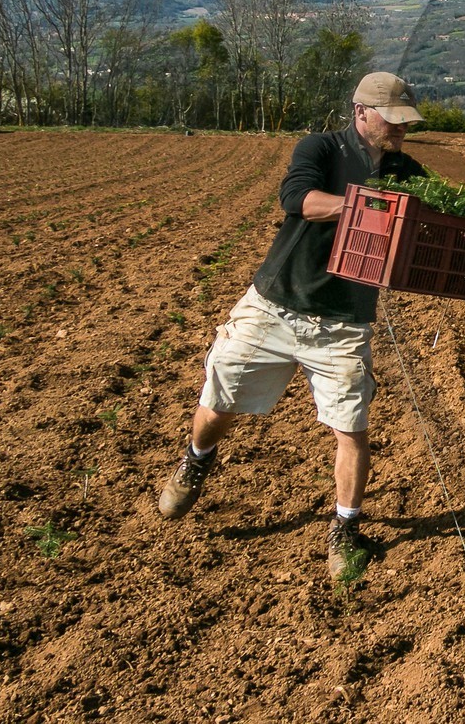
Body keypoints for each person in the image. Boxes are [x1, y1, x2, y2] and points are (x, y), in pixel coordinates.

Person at [157, 72, 427, 577]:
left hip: (344, 321)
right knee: (218, 403)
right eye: (391, 121)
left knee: (352, 427)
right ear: (361, 112)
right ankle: (196, 460)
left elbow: (432, 212)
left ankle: (345, 531)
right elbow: (297, 200)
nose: (399, 131)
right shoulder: (321, 148)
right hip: (275, 305)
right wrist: (370, 207)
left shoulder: (403, 168)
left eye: (404, 123)